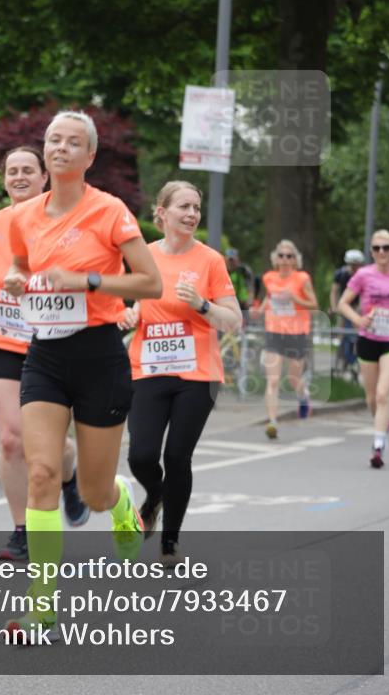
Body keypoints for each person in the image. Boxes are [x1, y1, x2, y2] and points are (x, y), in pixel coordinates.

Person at [2, 110, 161, 642]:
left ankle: (117, 501)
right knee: (42, 472)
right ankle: (41, 607)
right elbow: (22, 267)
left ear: (90, 156)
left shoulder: (110, 211)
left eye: (74, 143)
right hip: (44, 354)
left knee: (91, 493)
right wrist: (18, 281)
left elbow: (150, 283)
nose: (61, 149)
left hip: (99, 356)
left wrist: (88, 279)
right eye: (54, 140)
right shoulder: (24, 215)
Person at [0, 146, 89, 561]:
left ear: (43, 178)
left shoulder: (64, 222)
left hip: (53, 342)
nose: (18, 176)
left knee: (52, 446)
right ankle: (21, 530)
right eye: (11, 171)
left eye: (27, 170)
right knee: (13, 438)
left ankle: (70, 480)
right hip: (3, 340)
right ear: (4, 180)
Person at [122, 182, 241, 565]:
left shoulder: (209, 261)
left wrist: (203, 305)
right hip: (149, 370)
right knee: (140, 456)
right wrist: (128, 314)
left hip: (197, 374)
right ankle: (155, 496)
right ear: (162, 212)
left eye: (196, 207)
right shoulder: (143, 256)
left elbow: (233, 321)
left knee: (177, 456)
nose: (191, 214)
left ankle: (170, 541)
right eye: (183, 207)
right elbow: (127, 304)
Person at [338, 230, 389, 469]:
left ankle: (378, 446)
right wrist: (358, 319)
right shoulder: (364, 275)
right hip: (368, 339)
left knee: (384, 393)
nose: (381, 252)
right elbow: (342, 303)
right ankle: (382, 421)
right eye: (376, 248)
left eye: (386, 247)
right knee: (371, 398)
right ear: (371, 252)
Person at [257, 239, 318, 439]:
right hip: (274, 331)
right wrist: (259, 309)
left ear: (295, 260)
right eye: (281, 255)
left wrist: (295, 298)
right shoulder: (269, 277)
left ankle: (303, 396)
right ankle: (272, 422)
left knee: (293, 379)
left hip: (297, 333)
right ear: (276, 258)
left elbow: (314, 305)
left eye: (289, 256)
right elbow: (269, 297)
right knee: (272, 380)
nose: (285, 259)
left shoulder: (302, 278)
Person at [330, 249, 365, 372]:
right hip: (343, 305)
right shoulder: (340, 274)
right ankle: (340, 359)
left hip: (356, 306)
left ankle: (355, 360)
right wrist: (334, 307)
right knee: (342, 331)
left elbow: (364, 293)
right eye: (351, 264)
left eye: (356, 264)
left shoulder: (362, 275)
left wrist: (360, 309)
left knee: (356, 333)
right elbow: (334, 291)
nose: (354, 267)